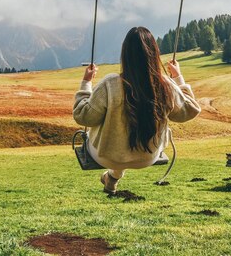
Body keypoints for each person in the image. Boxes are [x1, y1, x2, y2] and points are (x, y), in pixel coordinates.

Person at [73, 26, 201, 194]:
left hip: (107, 157)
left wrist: (86, 83)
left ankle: (113, 174)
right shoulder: (164, 85)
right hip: (148, 157)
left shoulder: (111, 84)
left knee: (112, 137)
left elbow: (84, 117)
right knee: (129, 138)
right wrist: (178, 78)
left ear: (125, 55)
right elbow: (190, 110)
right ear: (154, 53)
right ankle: (111, 179)